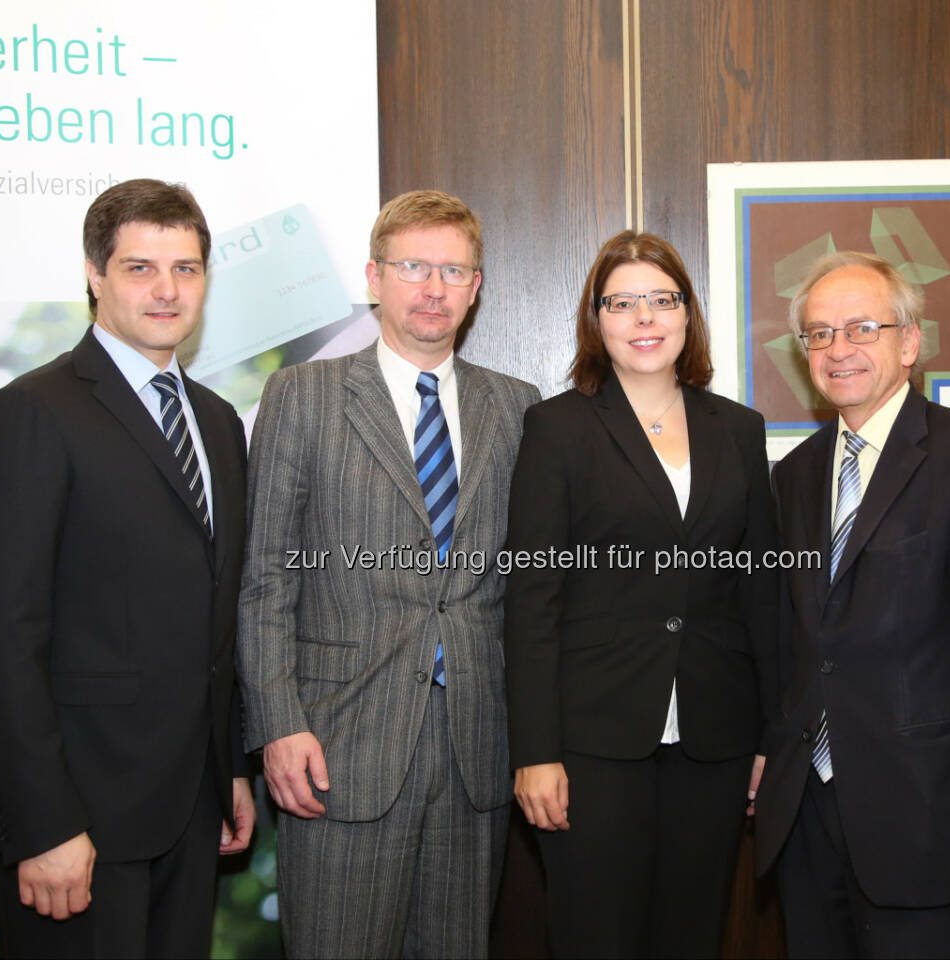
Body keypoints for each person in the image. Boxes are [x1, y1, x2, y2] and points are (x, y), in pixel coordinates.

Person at [0, 178, 255, 957]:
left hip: (187, 813)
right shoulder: (31, 412)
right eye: (141, 267)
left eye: (186, 268)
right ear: (94, 273)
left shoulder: (215, 422)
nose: (167, 290)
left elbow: (218, 612)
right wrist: (44, 824)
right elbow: (0, 637)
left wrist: (230, 767)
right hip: (73, 821)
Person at [237, 189, 540, 957]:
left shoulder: (518, 408)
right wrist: (278, 724)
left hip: (476, 751)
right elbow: (266, 576)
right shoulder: (302, 396)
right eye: (413, 266)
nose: (432, 287)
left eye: (452, 270)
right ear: (375, 278)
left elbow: (527, 589)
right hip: (338, 746)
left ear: (475, 287)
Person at [754, 251, 950, 958]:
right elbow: (801, 640)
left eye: (862, 327)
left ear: (910, 342)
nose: (839, 349)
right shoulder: (795, 475)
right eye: (819, 334)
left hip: (929, 819)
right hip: (809, 814)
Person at [505, 230, 777, 957]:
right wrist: (535, 751)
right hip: (592, 744)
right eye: (623, 303)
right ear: (597, 321)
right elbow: (533, 599)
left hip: (715, 741)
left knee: (692, 936)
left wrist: (767, 737)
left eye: (663, 300)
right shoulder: (558, 429)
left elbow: (760, 595)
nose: (645, 318)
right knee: (597, 937)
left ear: (689, 315)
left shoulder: (740, 431)